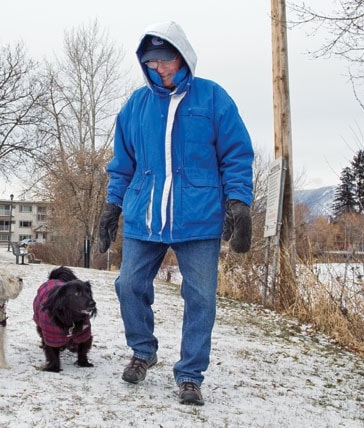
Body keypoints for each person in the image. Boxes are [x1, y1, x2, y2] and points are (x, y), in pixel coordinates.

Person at [98, 21, 254, 406]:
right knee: (128, 285)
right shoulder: (136, 106)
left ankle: (189, 375)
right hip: (145, 214)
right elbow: (122, 165)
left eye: (166, 60)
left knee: (200, 297)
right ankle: (143, 350)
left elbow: (236, 155)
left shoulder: (213, 99)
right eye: (152, 63)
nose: (161, 69)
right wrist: (111, 207)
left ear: (182, 56)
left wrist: (239, 203)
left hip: (198, 216)